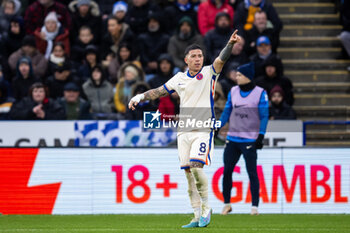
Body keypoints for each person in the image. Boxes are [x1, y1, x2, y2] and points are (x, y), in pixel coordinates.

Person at [128, 30, 242, 228]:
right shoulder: (179, 78)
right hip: (183, 132)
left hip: (203, 130)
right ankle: (196, 216)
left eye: (200, 56)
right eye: (194, 56)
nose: (198, 59)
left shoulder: (209, 72)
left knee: (197, 168)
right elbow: (159, 91)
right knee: (189, 175)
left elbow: (221, 60)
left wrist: (230, 44)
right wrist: (139, 97)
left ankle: (207, 208)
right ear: (186, 60)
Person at [218, 62, 269, 216]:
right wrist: (217, 127)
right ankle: (227, 204)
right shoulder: (233, 91)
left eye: (239, 74)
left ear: (247, 77)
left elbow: (264, 115)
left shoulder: (260, 93)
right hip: (232, 138)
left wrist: (261, 135)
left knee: (252, 173)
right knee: (227, 171)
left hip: (249, 139)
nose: (236, 77)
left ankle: (254, 207)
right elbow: (227, 112)